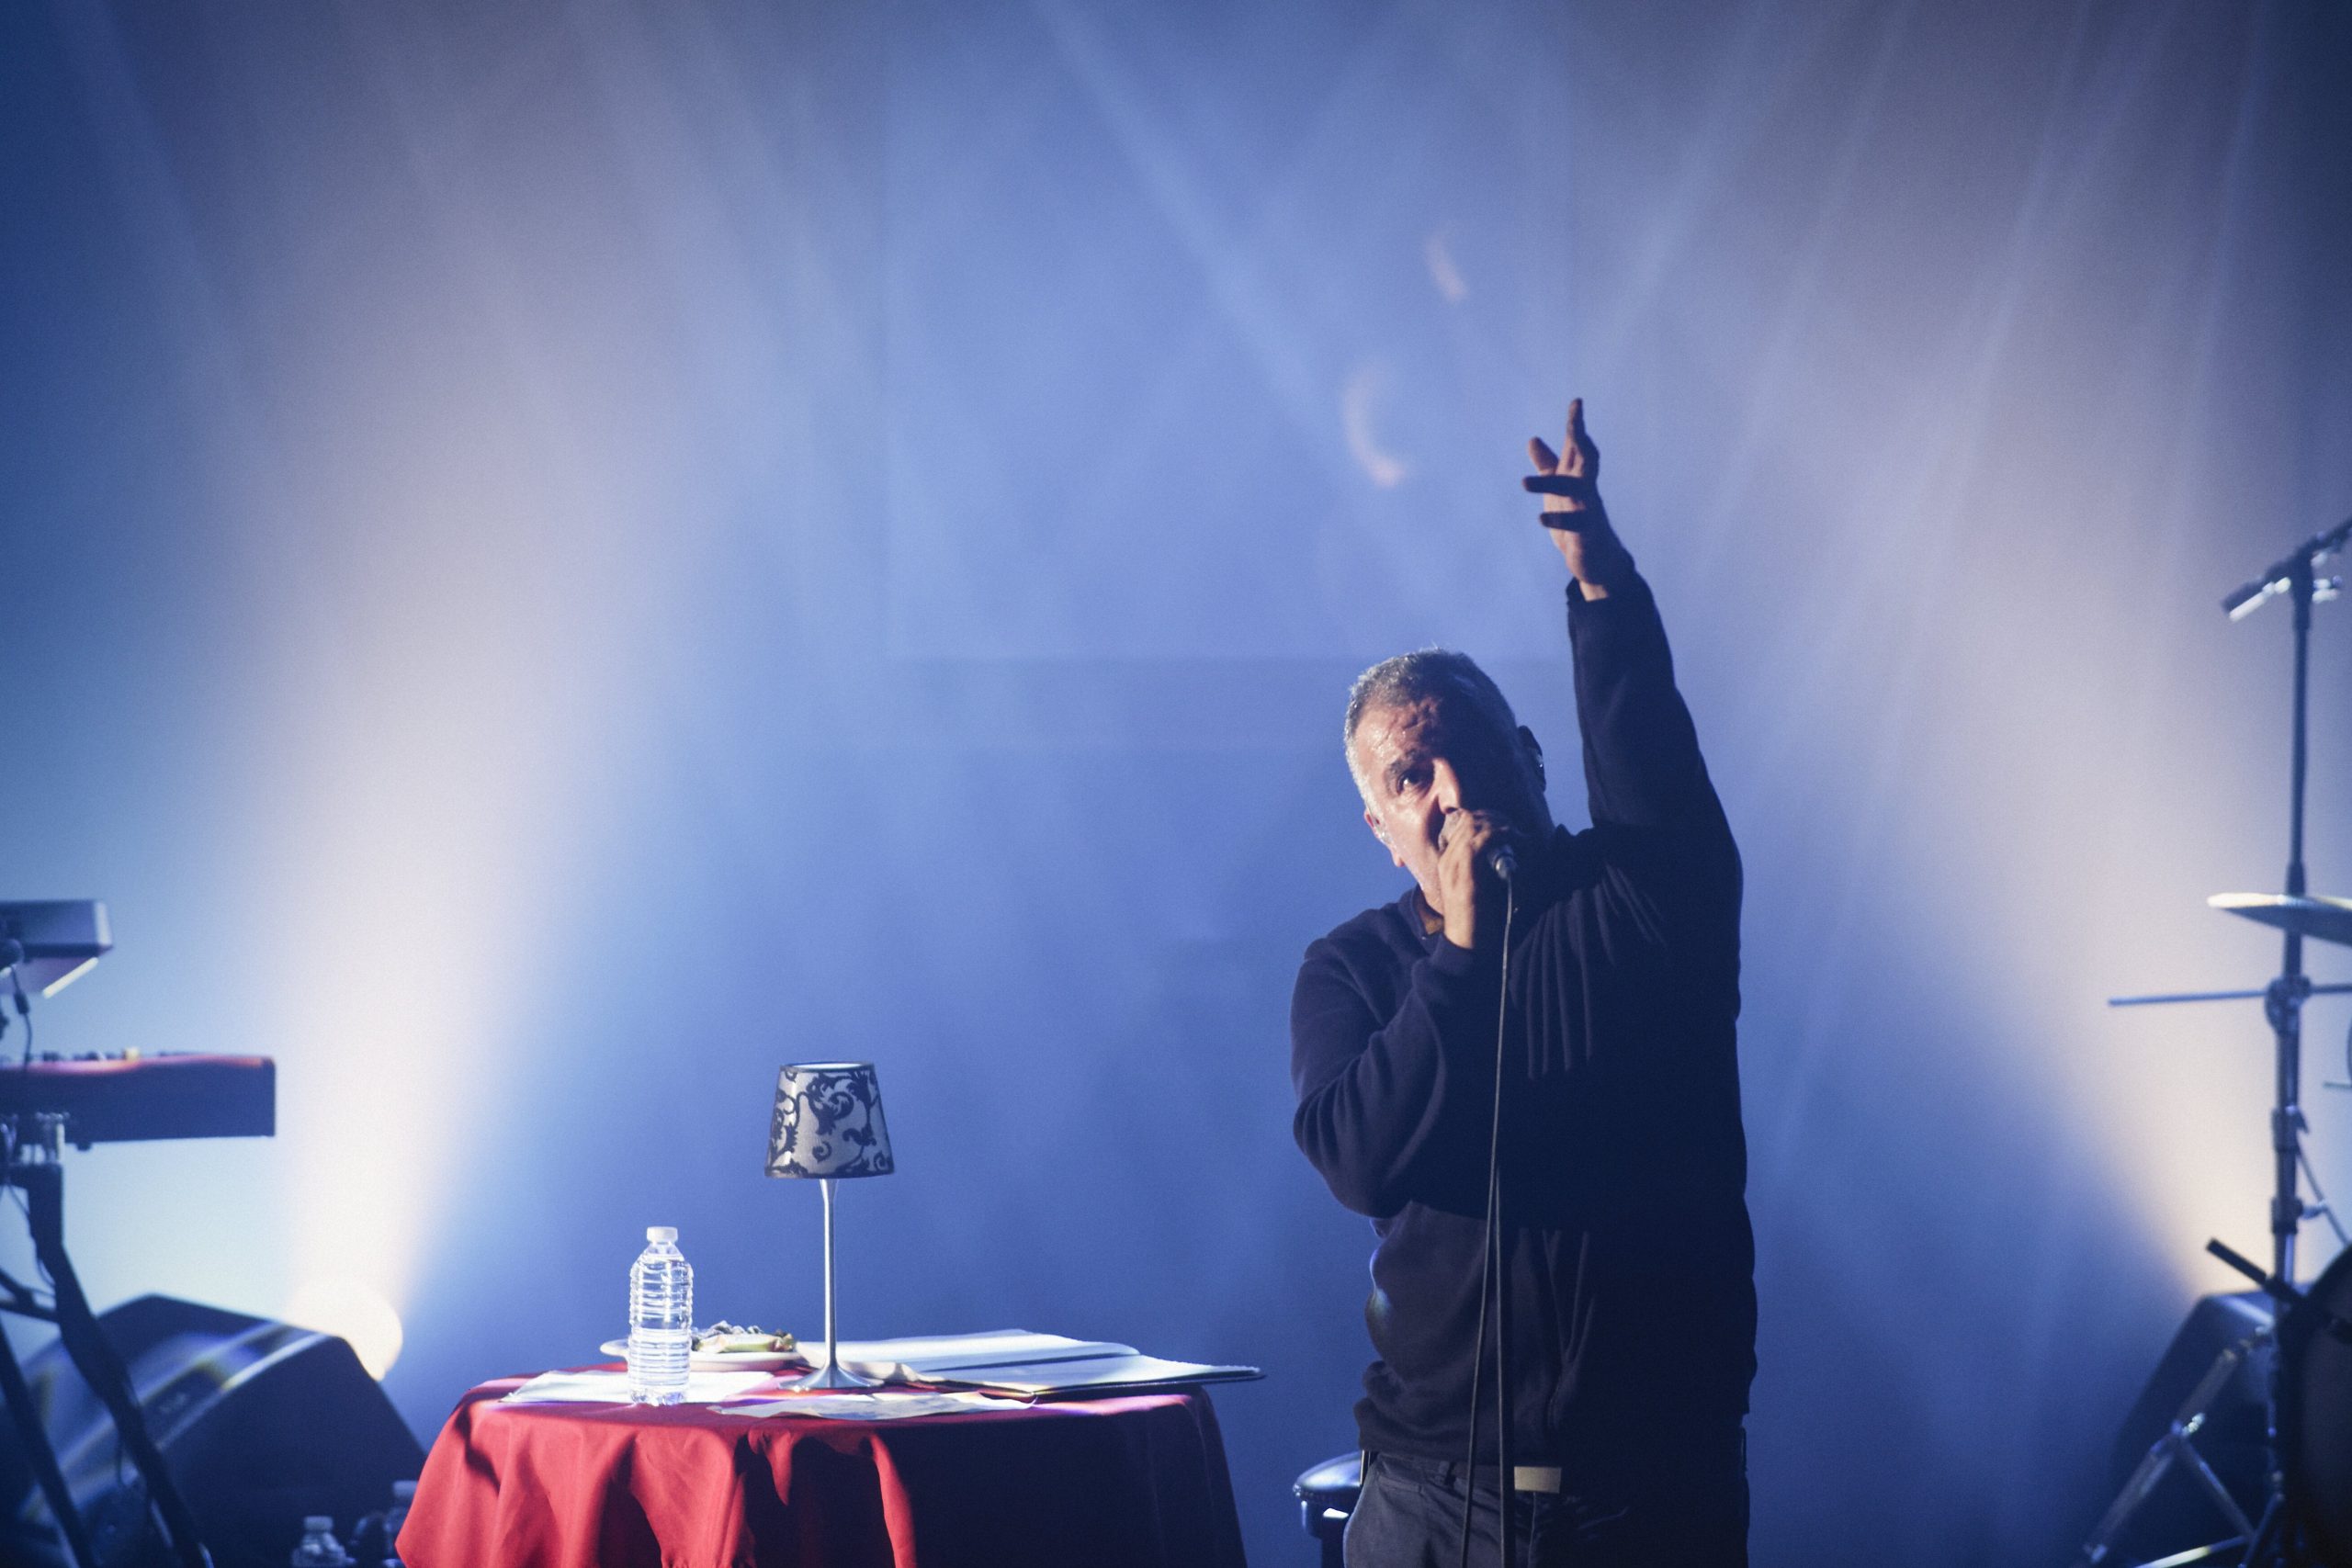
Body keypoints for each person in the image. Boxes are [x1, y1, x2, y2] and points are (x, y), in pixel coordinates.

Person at [1290, 400, 1755, 1566]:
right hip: (1433, 1502)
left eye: (1473, 749)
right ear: (1380, 827)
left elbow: (1648, 754)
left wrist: (1598, 580)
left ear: (1532, 758)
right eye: (1411, 777)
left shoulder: (1645, 903)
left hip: (1649, 1498)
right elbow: (1360, 1162)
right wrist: (1461, 948)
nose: (1449, 789)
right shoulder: (1353, 967)